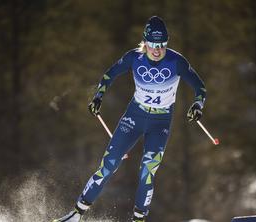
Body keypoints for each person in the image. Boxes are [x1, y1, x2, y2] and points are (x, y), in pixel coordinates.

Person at [53, 16, 206, 222]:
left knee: (147, 171)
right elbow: (110, 74)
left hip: (160, 123)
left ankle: (139, 219)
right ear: (145, 42)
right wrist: (98, 96)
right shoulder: (134, 58)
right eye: (152, 44)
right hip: (135, 116)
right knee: (109, 164)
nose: (157, 49)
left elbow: (200, 87)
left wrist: (198, 104)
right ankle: (76, 214)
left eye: (162, 44)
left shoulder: (176, 61)